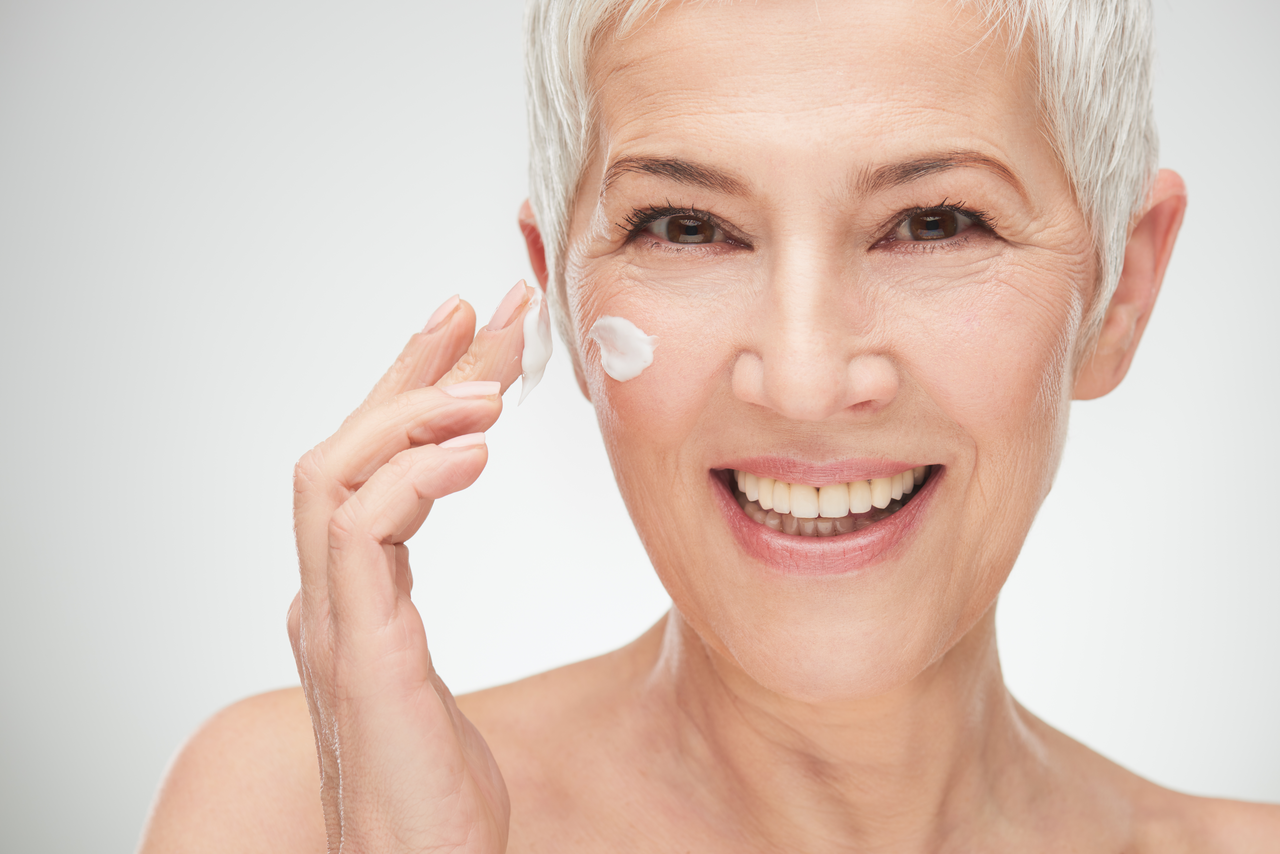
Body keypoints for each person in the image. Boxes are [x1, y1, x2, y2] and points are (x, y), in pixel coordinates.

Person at [137, 0, 1280, 850]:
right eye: (686, 227)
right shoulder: (289, 807)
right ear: (566, 299)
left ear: (1119, 292)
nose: (798, 376)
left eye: (933, 221)